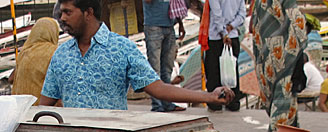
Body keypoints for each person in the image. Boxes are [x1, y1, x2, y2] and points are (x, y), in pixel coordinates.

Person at [40, 0, 233, 110]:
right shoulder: (61, 55)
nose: (62, 18)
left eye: (67, 12)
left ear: (88, 12)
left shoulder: (121, 48)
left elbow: (158, 88)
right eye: (61, 13)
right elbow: (45, 104)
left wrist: (209, 96)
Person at [251, 0, 307, 132]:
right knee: (284, 95)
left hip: (266, 55)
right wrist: (298, 48)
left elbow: (255, 26)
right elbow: (298, 22)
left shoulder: (258, 2)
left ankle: (290, 131)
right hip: (284, 54)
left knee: (278, 95)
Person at [143, 0, 186, 112]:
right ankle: (157, 105)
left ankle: (167, 103)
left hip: (169, 26)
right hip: (154, 25)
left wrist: (180, 23)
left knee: (167, 69)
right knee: (155, 69)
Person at [203, 0, 245, 112]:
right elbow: (242, 15)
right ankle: (232, 102)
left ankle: (215, 103)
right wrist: (231, 27)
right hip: (233, 36)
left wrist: (224, 33)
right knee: (231, 69)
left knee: (213, 71)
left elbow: (217, 14)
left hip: (216, 37)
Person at [11, 17, 60, 104]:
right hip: (42, 109)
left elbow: (11, 79)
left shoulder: (25, 51)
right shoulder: (55, 52)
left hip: (21, 107)